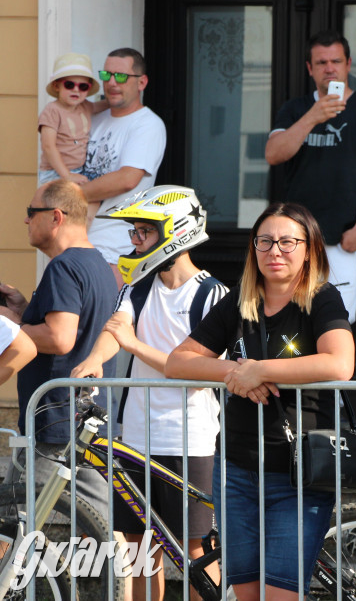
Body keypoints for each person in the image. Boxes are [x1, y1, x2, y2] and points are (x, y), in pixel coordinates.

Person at [166, 202, 354, 601]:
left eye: (288, 242)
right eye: (264, 241)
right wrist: (238, 373)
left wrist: (261, 370)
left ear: (309, 249)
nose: (275, 251)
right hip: (236, 471)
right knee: (247, 594)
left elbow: (340, 363)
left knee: (281, 594)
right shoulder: (239, 301)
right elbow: (177, 361)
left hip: (299, 475)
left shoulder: (322, 299)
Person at [71, 185, 226, 601]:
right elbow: (116, 329)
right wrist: (95, 360)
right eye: (134, 231)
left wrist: (135, 345)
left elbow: (200, 372)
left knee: (195, 547)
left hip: (188, 440)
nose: (136, 240)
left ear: (176, 231)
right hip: (137, 437)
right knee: (140, 546)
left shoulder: (212, 294)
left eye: (144, 231)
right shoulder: (137, 287)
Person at [0, 180, 118, 516]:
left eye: (31, 212)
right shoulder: (97, 263)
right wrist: (25, 311)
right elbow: (75, 330)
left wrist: (12, 327)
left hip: (53, 421)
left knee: (12, 520)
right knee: (99, 522)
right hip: (82, 420)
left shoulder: (63, 267)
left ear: (56, 216)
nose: (26, 220)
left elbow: (59, 338)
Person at [265, 30, 356, 322]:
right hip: (293, 240)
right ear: (310, 68)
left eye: (336, 61)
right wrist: (313, 117)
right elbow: (273, 154)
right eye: (321, 63)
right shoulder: (295, 109)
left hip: (341, 241)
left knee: (337, 324)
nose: (329, 68)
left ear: (348, 64)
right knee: (290, 321)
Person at [80, 47, 167, 287]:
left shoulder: (148, 124)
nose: (111, 83)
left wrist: (70, 194)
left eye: (120, 76)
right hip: (76, 240)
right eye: (106, 75)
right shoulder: (94, 119)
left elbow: (127, 179)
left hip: (114, 247)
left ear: (142, 82)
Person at [37, 53, 108, 196]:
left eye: (83, 86)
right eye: (69, 85)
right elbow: (48, 146)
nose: (76, 90)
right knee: (65, 205)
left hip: (78, 171)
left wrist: (117, 102)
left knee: (85, 202)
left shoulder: (85, 106)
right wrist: (67, 175)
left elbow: (100, 106)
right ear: (56, 86)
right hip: (55, 172)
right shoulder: (52, 111)